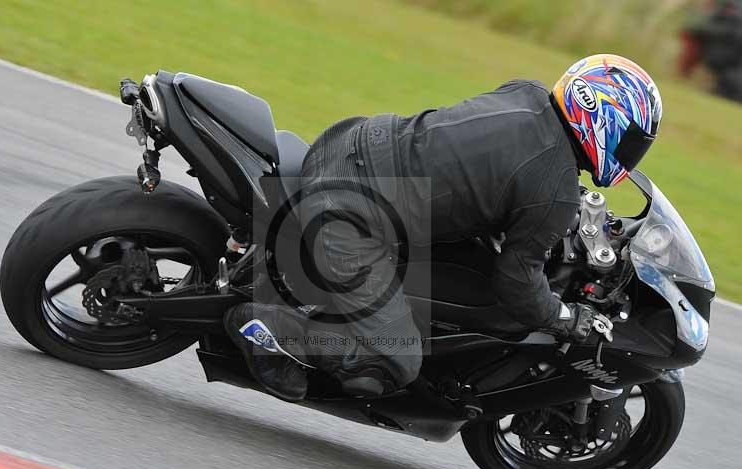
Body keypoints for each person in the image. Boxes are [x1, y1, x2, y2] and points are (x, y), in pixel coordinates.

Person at [223, 54, 663, 402]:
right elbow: (516, 283)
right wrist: (565, 317)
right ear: (602, 119)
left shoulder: (527, 93)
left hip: (352, 142)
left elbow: (488, 167)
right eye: (630, 140)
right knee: (396, 359)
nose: (630, 153)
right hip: (347, 217)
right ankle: (266, 328)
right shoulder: (553, 188)